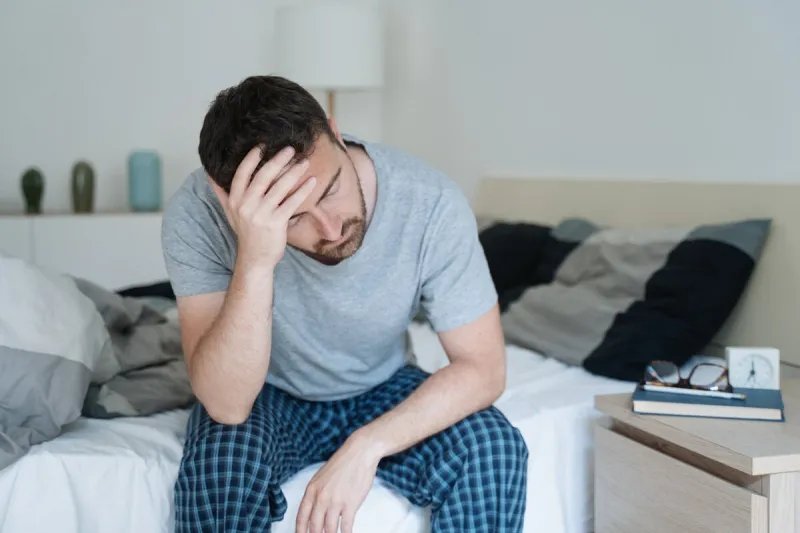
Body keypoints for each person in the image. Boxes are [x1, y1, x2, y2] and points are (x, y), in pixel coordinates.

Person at [161, 75, 528, 533]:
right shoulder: (196, 214)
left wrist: (367, 445)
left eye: (331, 188)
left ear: (335, 131)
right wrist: (255, 260)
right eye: (293, 217)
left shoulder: (431, 202)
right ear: (228, 199)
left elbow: (484, 368)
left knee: (492, 448)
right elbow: (228, 406)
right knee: (220, 470)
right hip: (268, 393)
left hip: (382, 384)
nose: (331, 229)